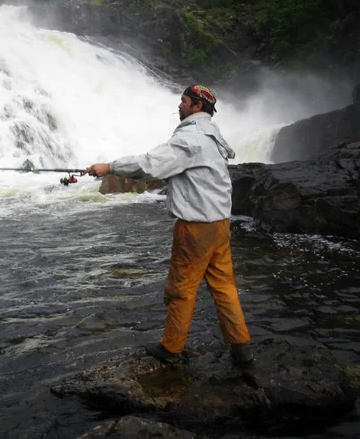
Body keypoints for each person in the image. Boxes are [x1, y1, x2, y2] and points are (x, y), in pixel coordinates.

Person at [86, 84, 253, 365]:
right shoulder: (213, 136)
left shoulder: (190, 138)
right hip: (220, 225)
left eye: (184, 101)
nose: (179, 106)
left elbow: (151, 165)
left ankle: (172, 348)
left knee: (181, 289)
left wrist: (109, 167)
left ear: (197, 107)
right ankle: (241, 348)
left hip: (196, 227)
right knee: (224, 286)